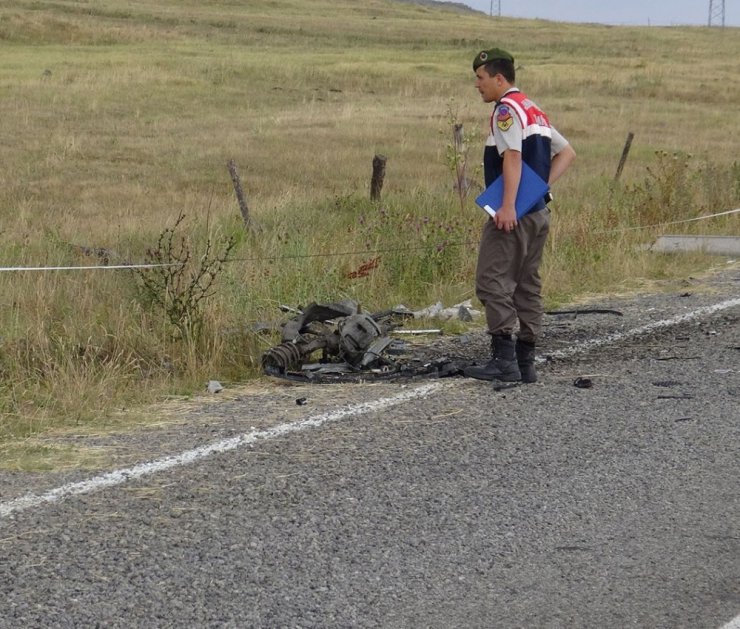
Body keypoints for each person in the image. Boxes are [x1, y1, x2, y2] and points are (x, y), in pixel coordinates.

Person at [464, 47, 576, 384]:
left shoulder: (506, 111)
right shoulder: (533, 109)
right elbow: (567, 153)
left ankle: (504, 362)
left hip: (516, 213)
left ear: (499, 78)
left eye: (481, 79)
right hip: (538, 211)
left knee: (492, 281)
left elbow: (512, 157)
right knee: (527, 285)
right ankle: (526, 362)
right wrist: (538, 189)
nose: (477, 85)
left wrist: (510, 204)